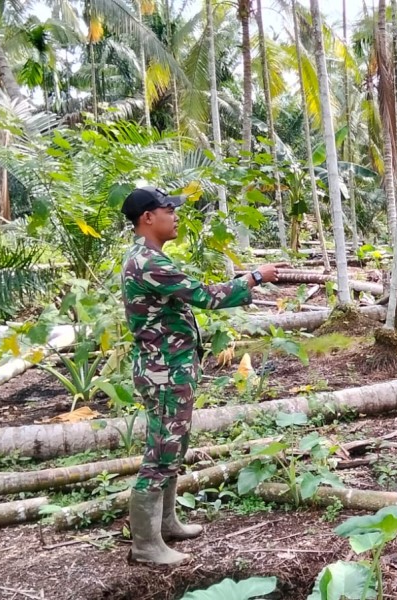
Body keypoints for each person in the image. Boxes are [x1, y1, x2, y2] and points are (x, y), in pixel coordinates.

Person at [120, 185, 282, 565]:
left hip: (170, 368)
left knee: (174, 445)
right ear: (148, 218)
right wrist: (255, 277)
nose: (174, 216)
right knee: (161, 453)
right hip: (163, 372)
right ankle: (145, 545)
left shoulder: (148, 257)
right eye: (168, 210)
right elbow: (206, 295)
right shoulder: (148, 262)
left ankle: (166, 522)